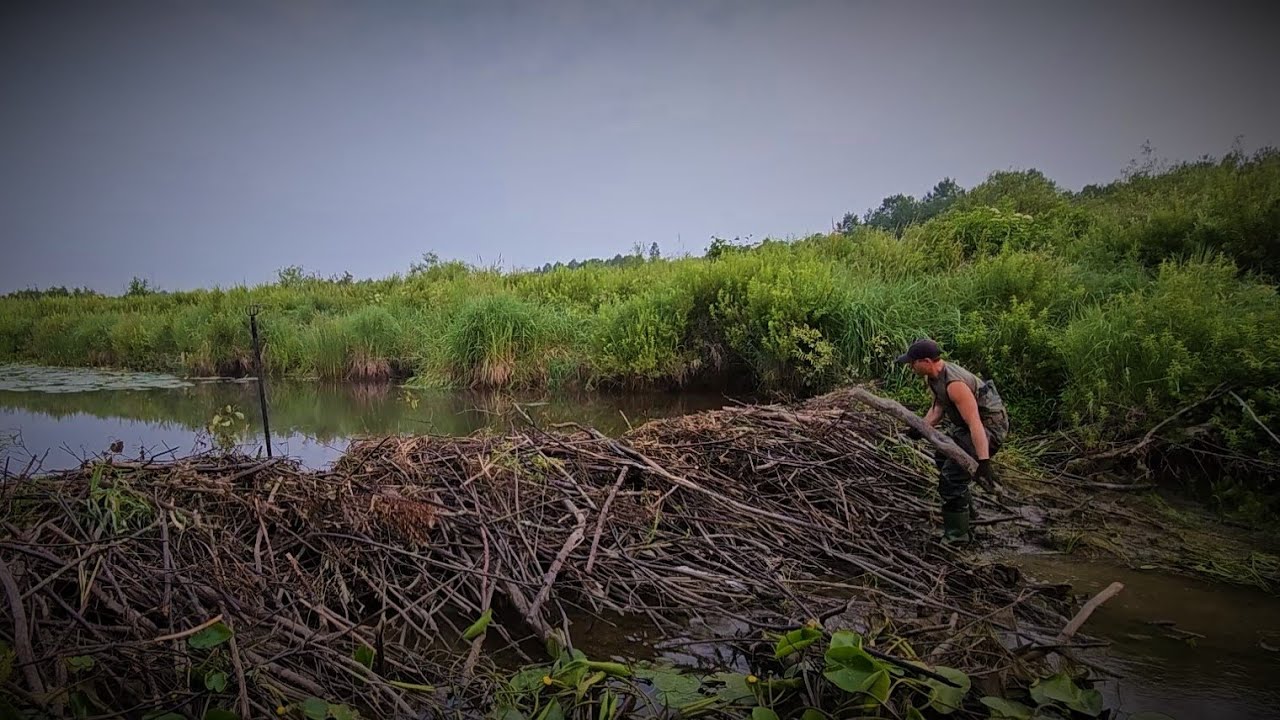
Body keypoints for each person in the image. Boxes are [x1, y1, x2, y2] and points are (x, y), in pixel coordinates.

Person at [895, 338, 1009, 545]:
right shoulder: (933, 377)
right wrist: (919, 430)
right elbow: (938, 409)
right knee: (942, 458)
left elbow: (975, 423)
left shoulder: (955, 384)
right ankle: (969, 516)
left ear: (927, 361)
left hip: (989, 429)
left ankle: (957, 538)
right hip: (967, 427)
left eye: (913, 362)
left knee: (951, 478)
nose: (910, 366)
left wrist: (984, 462)